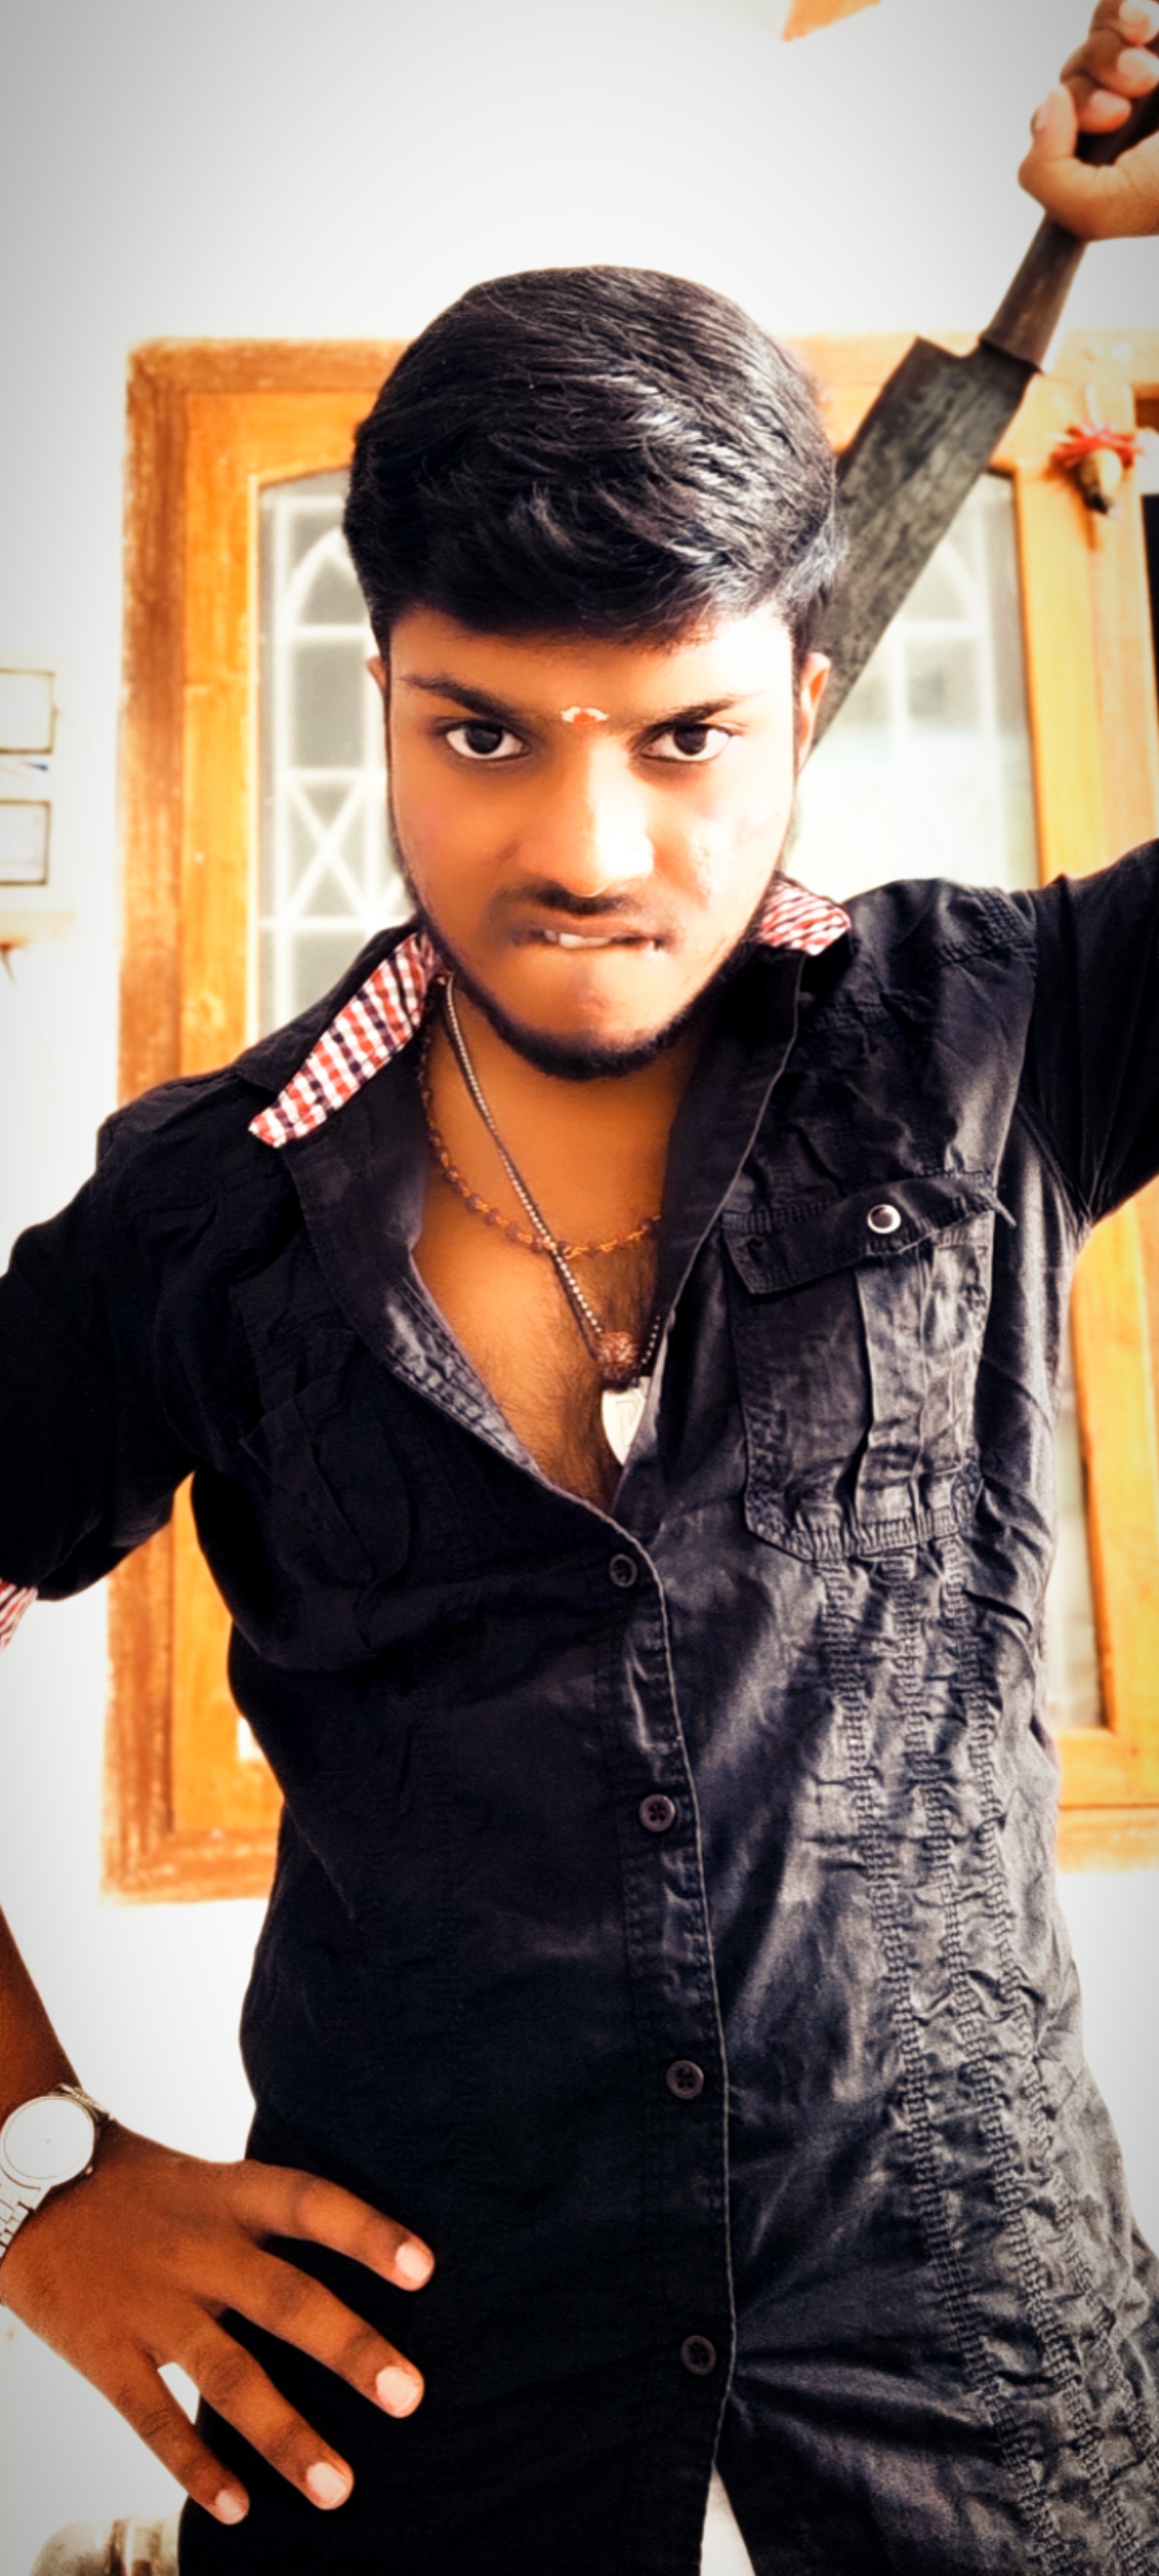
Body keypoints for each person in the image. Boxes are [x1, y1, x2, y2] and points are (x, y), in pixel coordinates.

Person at [3, 7, 1159, 2573]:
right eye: (485, 734)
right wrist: (33, 2166)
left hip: (994, 2436)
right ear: (384, 698)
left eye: (684, 736)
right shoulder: (209, 1203)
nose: (591, 844)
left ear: (806, 706)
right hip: (413, 2453)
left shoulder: (1000, 1037)